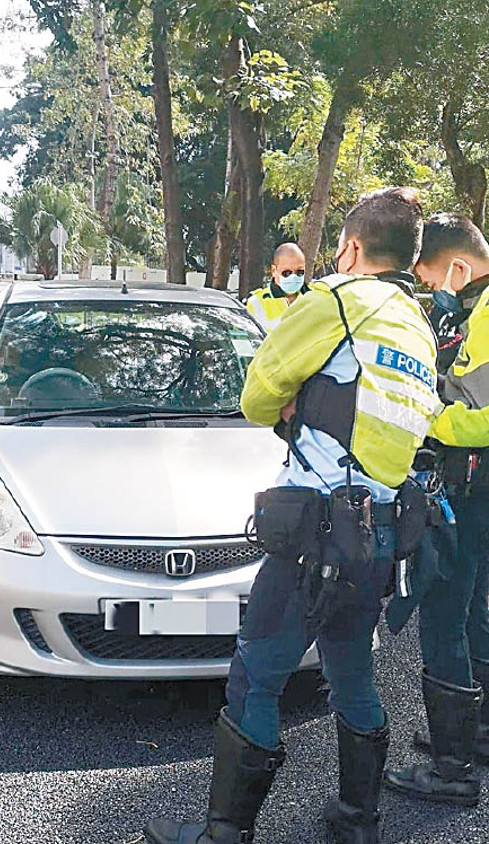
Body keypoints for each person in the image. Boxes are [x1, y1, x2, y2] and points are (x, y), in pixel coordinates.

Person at [143, 187, 441, 844]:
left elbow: (256, 397)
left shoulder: (336, 300)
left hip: (314, 537)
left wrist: (292, 401)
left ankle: (224, 833)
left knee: (256, 674)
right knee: (352, 674)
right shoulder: (415, 324)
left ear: (352, 247)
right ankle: (357, 822)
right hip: (383, 534)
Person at [384, 214, 489, 806]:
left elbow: (480, 413)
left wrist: (422, 414)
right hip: (481, 488)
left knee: (444, 612)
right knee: (474, 605)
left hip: (472, 486)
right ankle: (474, 734)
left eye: (427, 278)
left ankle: (452, 770)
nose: (428, 290)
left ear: (454, 267)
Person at [245, 242, 306, 331]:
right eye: (287, 273)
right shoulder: (256, 303)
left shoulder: (314, 298)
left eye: (299, 272)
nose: (294, 277)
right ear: (274, 270)